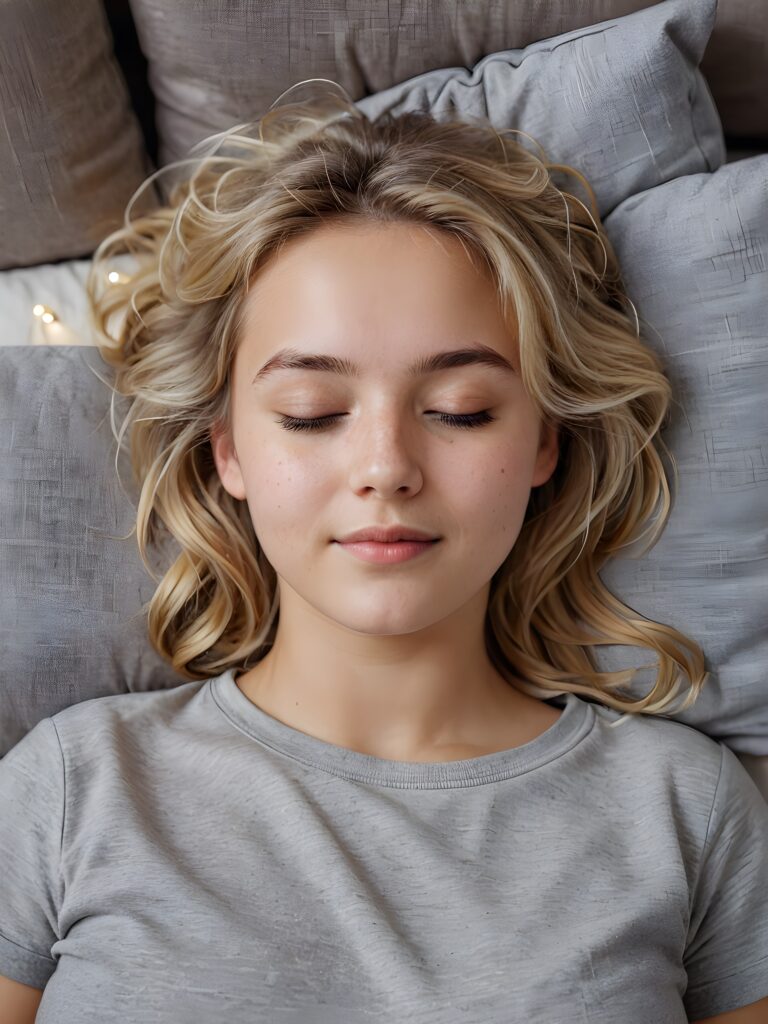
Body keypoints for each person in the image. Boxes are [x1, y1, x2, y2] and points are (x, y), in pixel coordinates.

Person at [1, 80, 767, 1023]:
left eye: (460, 411)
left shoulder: (683, 808)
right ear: (229, 448)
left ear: (543, 443)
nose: (387, 468)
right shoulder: (75, 785)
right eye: (311, 414)